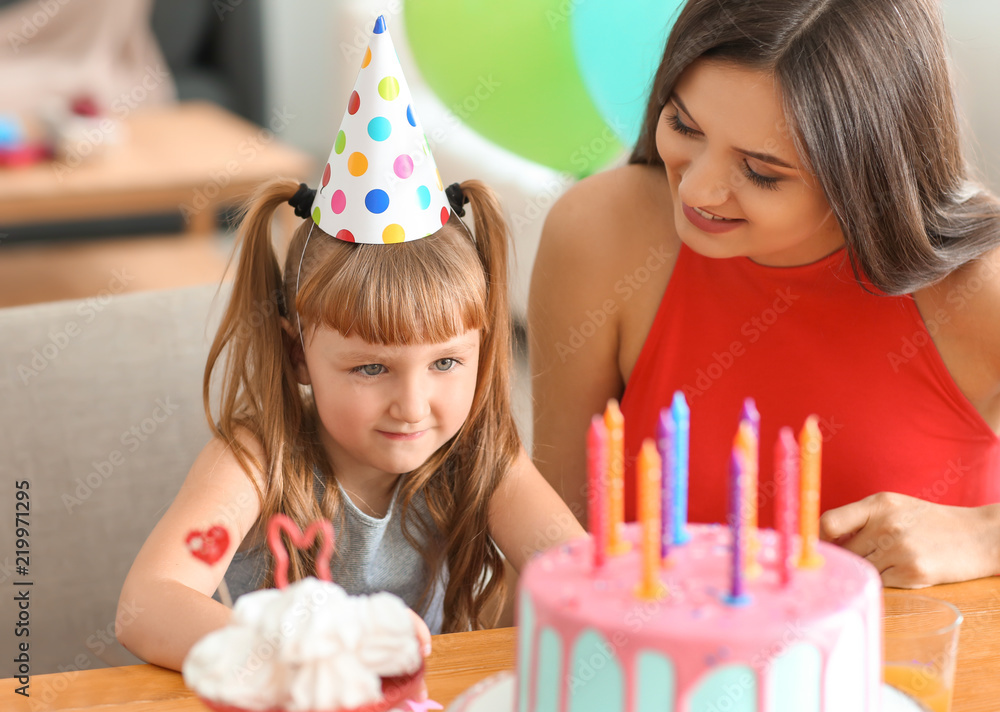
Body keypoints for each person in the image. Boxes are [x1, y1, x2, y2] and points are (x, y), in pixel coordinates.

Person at [117, 16, 582, 673]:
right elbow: (147, 604)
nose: (413, 405)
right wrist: (296, 662)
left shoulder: (479, 459)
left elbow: (578, 570)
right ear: (297, 354)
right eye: (371, 367)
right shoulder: (257, 460)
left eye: (447, 361)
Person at [530, 0, 1000, 589]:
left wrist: (984, 535)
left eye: (761, 172)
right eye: (685, 126)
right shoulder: (600, 231)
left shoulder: (978, 285)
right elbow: (549, 534)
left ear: (867, 171)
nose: (697, 189)